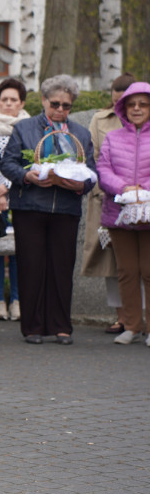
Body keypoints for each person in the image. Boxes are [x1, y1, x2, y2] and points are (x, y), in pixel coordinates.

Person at [0, 74, 96, 345]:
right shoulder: (25, 128)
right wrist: (26, 176)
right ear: (43, 100)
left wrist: (79, 185)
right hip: (30, 206)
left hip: (66, 208)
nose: (60, 110)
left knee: (62, 268)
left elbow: (91, 173)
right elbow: (8, 164)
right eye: (55, 104)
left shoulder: (81, 133)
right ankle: (32, 326)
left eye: (67, 106)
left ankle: (61, 326)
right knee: (31, 267)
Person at [96, 81, 150, 346]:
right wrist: (124, 188)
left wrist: (143, 192)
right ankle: (131, 326)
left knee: (149, 271)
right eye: (132, 104)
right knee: (127, 271)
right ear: (123, 108)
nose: (137, 109)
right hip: (119, 215)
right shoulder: (112, 138)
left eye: (143, 104)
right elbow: (103, 169)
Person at [82, 72, 136, 334]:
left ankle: (140, 318)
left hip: (141, 201)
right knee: (112, 264)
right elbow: (92, 160)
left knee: (142, 264)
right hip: (107, 200)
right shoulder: (100, 120)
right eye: (116, 97)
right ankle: (122, 317)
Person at [0, 78, 28, 321]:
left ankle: (17, 300)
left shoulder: (28, 127)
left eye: (13, 100)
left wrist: (8, 189)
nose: (8, 104)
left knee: (16, 251)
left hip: (20, 195)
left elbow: (28, 161)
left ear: (21, 103)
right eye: (4, 99)